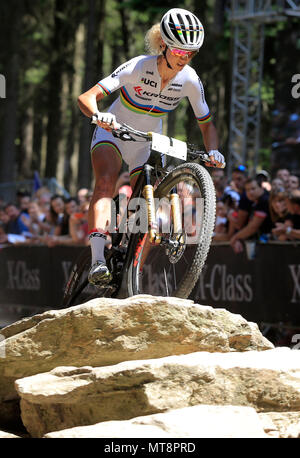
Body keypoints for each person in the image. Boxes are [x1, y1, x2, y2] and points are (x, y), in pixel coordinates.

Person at [77, 8, 225, 287]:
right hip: (114, 131)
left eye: (190, 53)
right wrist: (99, 114)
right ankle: (97, 258)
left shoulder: (190, 80)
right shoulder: (138, 66)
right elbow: (86, 97)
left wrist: (214, 150)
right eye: (179, 51)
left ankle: (132, 275)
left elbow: (207, 124)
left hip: (146, 141)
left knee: (149, 207)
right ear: (163, 45)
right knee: (106, 180)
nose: (184, 58)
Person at [229, 177, 272, 253]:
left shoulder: (264, 200)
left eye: (253, 188)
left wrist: (235, 237)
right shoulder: (256, 202)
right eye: (247, 190)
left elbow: (253, 227)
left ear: (261, 187)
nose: (250, 192)